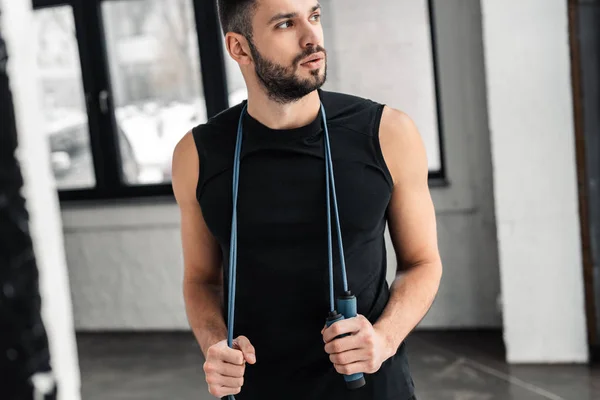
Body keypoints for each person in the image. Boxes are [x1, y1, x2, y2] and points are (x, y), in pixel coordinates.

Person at [171, 0, 442, 398]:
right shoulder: (197, 155)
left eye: (313, 16)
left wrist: (383, 339)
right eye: (285, 24)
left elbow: (423, 263)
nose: (311, 36)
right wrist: (214, 342)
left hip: (370, 388)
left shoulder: (388, 133)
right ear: (239, 48)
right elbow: (200, 281)